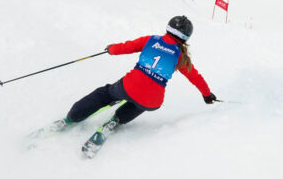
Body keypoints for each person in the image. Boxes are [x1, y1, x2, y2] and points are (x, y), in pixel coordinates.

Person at [63, 15, 217, 132]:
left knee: (105, 94)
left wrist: (111, 49)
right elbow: (196, 78)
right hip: (153, 101)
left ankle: (72, 117)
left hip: (129, 86)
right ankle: (117, 120)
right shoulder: (181, 57)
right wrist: (207, 94)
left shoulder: (151, 40)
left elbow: (126, 47)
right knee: (140, 103)